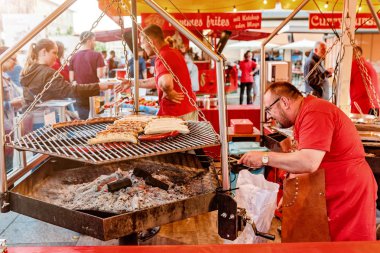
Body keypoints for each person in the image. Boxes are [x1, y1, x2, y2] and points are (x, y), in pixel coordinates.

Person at [239, 81, 377, 241]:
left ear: (284, 102)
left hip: (348, 194)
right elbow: (302, 157)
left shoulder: (316, 112)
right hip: (329, 190)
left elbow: (308, 162)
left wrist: (264, 158)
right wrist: (293, 191)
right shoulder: (306, 113)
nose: (269, 116)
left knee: (348, 246)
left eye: (269, 109)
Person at [20, 39, 112, 116]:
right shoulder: (47, 73)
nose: (56, 57)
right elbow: (69, 90)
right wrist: (98, 86)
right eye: (54, 53)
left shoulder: (28, 70)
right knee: (99, 115)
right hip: (45, 118)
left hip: (29, 117)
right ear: (44, 52)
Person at [124, 24, 197, 121]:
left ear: (150, 41)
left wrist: (169, 91)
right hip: (186, 110)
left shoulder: (163, 56)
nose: (141, 46)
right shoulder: (173, 52)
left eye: (142, 43)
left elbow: (166, 83)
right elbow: (158, 80)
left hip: (175, 113)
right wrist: (132, 83)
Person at [69, 31, 106, 119]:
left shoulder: (73, 57)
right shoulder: (97, 55)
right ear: (89, 41)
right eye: (94, 40)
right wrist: (104, 69)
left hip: (80, 92)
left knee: (83, 121)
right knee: (99, 118)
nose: (95, 42)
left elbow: (71, 78)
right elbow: (100, 75)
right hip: (96, 91)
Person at [0, 47, 23, 173]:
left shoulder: (5, 77)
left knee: (8, 166)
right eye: (13, 59)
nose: (16, 62)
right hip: (3, 128)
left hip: (8, 127)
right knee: (5, 168)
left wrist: (15, 103)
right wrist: (11, 104)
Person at [350, 46, 380, 115]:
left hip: (362, 106)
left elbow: (343, 83)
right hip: (375, 105)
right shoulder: (369, 65)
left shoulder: (354, 64)